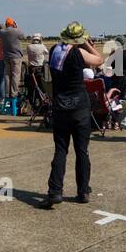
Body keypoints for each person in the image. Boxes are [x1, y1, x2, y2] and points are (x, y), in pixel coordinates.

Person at [39, 22, 104, 209]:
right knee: (82, 150)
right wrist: (86, 43)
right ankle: (83, 191)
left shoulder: (54, 52)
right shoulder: (79, 53)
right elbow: (99, 59)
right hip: (79, 108)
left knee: (61, 150)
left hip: (60, 106)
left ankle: (55, 191)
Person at [0, 18, 25, 114]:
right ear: (13, 23)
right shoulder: (16, 30)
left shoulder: (2, 32)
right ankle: (14, 94)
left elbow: (0, 31)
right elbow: (23, 36)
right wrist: (16, 26)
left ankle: (7, 93)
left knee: (7, 76)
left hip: (6, 57)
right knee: (15, 76)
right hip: (16, 57)